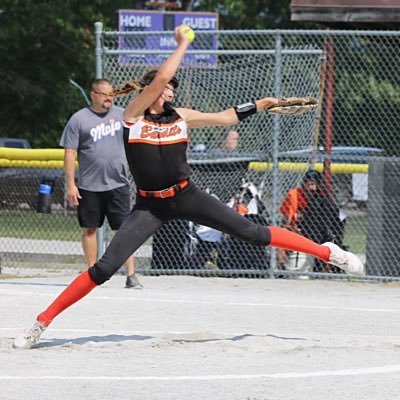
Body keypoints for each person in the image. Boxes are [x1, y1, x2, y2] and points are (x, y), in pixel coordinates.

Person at [13, 25, 364, 350]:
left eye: (170, 89)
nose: (168, 90)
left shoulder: (180, 115)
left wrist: (259, 105)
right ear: (150, 90)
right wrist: (183, 44)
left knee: (253, 232)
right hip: (149, 207)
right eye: (164, 87)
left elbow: (225, 117)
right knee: (104, 269)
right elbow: (162, 76)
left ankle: (327, 252)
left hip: (185, 195)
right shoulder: (132, 116)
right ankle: (42, 322)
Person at [60, 78, 141, 289]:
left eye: (111, 94)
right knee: (90, 229)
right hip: (89, 185)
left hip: (118, 184)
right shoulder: (79, 119)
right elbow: (70, 153)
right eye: (105, 94)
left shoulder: (122, 114)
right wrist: (71, 184)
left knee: (124, 230)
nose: (109, 98)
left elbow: (142, 116)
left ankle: (131, 274)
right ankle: (91, 274)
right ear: (94, 95)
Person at [278, 169, 346, 273]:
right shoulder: (294, 195)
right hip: (295, 231)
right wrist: (295, 230)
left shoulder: (321, 200)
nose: (311, 188)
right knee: (282, 233)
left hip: (313, 235)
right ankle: (280, 269)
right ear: (303, 183)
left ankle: (324, 271)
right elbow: (285, 223)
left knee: (326, 239)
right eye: (309, 184)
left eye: (314, 185)